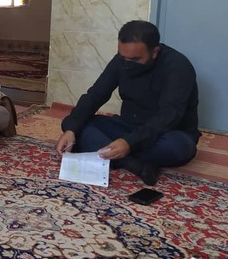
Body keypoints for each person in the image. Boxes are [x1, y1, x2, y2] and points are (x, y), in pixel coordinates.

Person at [55, 20, 200, 186]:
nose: (127, 63)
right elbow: (96, 94)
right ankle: (132, 164)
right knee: (77, 125)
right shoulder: (122, 60)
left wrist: (129, 143)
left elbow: (168, 116)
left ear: (154, 52)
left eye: (134, 59)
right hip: (127, 126)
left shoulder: (179, 67)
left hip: (167, 132)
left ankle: (117, 156)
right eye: (123, 57)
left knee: (177, 148)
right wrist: (72, 129)